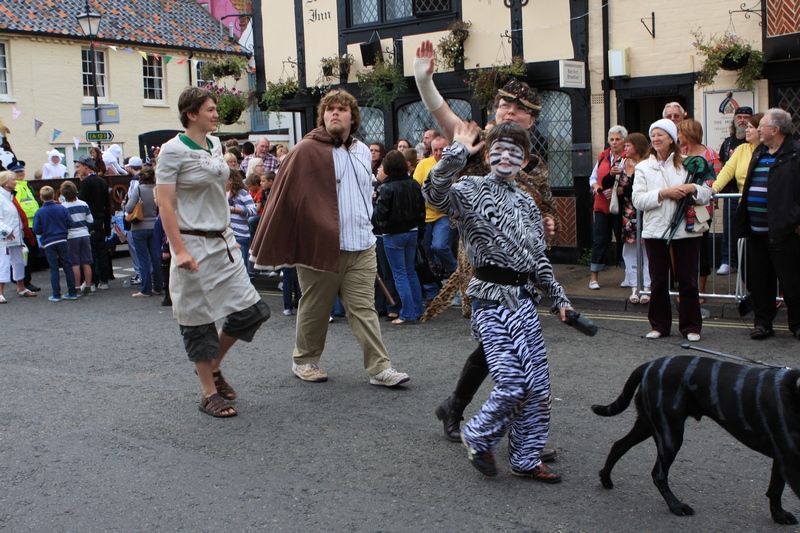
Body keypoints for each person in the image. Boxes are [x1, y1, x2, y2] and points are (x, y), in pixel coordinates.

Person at [414, 40, 558, 455]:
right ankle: (494, 425)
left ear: (531, 119)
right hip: (482, 269)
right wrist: (425, 79)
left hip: (522, 268)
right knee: (505, 348)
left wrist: (546, 221)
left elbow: (544, 207)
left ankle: (459, 409)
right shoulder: (479, 146)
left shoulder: (536, 163)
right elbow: (444, 117)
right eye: (502, 105)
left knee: (504, 348)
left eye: (517, 108)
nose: (507, 112)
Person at [424, 121, 573, 482]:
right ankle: (478, 436)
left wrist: (560, 300)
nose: (506, 157)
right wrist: (458, 150)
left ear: (523, 161)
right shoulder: (470, 189)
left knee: (538, 386)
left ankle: (525, 458)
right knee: (511, 383)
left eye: (514, 152)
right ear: (488, 155)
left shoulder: (526, 201)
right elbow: (433, 192)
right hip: (489, 300)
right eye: (499, 151)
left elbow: (538, 259)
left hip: (523, 301)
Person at [250, 88, 410, 387]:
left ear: (353, 116)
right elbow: (289, 199)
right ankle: (305, 360)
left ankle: (380, 368)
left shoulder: (363, 151)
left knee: (363, 309)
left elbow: (365, 193)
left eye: (342, 109)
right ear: (323, 116)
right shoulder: (306, 150)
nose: (335, 113)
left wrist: (367, 224)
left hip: (362, 244)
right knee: (315, 307)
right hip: (320, 246)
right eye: (330, 109)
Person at [156, 86, 270, 417]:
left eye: (215, 108)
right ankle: (208, 392)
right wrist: (179, 251)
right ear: (191, 114)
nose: (216, 113)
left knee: (252, 311)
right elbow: (165, 203)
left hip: (223, 242)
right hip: (192, 243)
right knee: (198, 320)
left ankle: (213, 365)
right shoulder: (172, 151)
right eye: (210, 109)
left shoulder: (214, 144)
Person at [632, 118, 712, 342]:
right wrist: (664, 194)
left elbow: (707, 193)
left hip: (685, 231)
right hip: (655, 231)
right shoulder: (643, 167)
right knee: (658, 281)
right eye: (653, 134)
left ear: (672, 138)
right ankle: (659, 325)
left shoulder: (688, 163)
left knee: (688, 280)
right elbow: (638, 200)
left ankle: (691, 327)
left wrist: (692, 188)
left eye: (661, 134)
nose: (656, 138)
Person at [734, 108, 800, 341]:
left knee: (792, 282)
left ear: (776, 129)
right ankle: (763, 323)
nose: (757, 129)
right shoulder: (759, 152)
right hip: (756, 231)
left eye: (761, 125)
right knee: (760, 282)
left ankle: (797, 324)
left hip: (785, 231)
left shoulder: (795, 153)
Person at [372, 150, 426, 324]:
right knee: (410, 271)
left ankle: (408, 312)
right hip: (412, 231)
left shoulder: (385, 188)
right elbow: (421, 210)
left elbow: (379, 214)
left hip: (392, 234)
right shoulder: (413, 184)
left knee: (399, 274)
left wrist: (382, 224)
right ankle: (418, 308)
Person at [715, 108, 757, 275]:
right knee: (730, 228)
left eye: (746, 118)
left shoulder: (761, 148)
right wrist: (713, 190)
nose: (742, 121)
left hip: (752, 197)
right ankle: (728, 260)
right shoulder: (729, 143)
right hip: (732, 193)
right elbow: (724, 168)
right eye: (739, 117)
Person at [588, 125, 627, 290]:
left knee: (623, 240)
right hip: (602, 204)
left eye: (618, 139)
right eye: (611, 139)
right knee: (600, 240)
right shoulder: (603, 156)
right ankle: (593, 278)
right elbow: (593, 178)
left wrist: (620, 190)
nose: (614, 142)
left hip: (622, 206)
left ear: (624, 141)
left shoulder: (628, 158)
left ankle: (629, 276)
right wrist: (597, 187)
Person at [618, 133, 651, 304]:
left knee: (646, 251)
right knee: (629, 250)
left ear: (637, 146)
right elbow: (619, 190)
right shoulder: (623, 164)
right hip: (628, 213)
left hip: (646, 211)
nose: (624, 149)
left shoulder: (648, 163)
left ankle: (646, 288)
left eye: (627, 146)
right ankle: (634, 287)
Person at [32, 186, 79, 302]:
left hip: (48, 241)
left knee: (54, 268)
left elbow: (36, 229)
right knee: (67, 265)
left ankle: (56, 294)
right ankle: (72, 292)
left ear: (41, 197)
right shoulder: (61, 208)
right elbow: (71, 223)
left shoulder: (39, 212)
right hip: (62, 239)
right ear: (53, 196)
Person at [125, 166, 163, 297]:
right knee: (156, 257)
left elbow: (129, 207)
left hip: (139, 226)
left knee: (143, 260)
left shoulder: (139, 189)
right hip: (154, 226)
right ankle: (158, 286)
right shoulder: (157, 189)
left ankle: (146, 289)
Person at [0, 171, 36, 303]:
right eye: (12, 180)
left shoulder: (10, 196)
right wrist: (6, 231)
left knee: (19, 262)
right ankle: (0, 292)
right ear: (5, 182)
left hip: (16, 236)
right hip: (4, 238)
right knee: (3, 264)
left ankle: (21, 287)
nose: (15, 182)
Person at [76, 155, 111, 289]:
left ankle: (92, 280)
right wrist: (107, 225)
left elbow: (82, 202)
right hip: (101, 220)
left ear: (86, 167)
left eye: (79, 167)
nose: (77, 170)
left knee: (90, 252)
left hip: (90, 221)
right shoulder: (102, 181)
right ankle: (104, 280)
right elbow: (108, 205)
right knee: (101, 251)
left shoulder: (86, 183)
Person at [7, 161, 41, 292]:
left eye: (22, 171)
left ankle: (21, 279)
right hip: (22, 226)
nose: (21, 173)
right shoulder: (14, 188)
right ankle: (24, 281)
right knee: (27, 255)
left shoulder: (27, 185)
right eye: (17, 172)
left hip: (32, 224)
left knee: (32, 253)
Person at [59, 180, 94, 295]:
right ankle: (88, 285)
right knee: (86, 261)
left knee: (75, 263)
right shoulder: (83, 204)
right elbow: (90, 220)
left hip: (71, 235)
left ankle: (77, 286)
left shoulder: (63, 207)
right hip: (84, 234)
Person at [226, 170, 257, 275]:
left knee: (241, 269)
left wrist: (235, 209)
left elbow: (253, 210)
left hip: (240, 235)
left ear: (230, 180)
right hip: (225, 235)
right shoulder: (220, 192)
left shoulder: (242, 193)